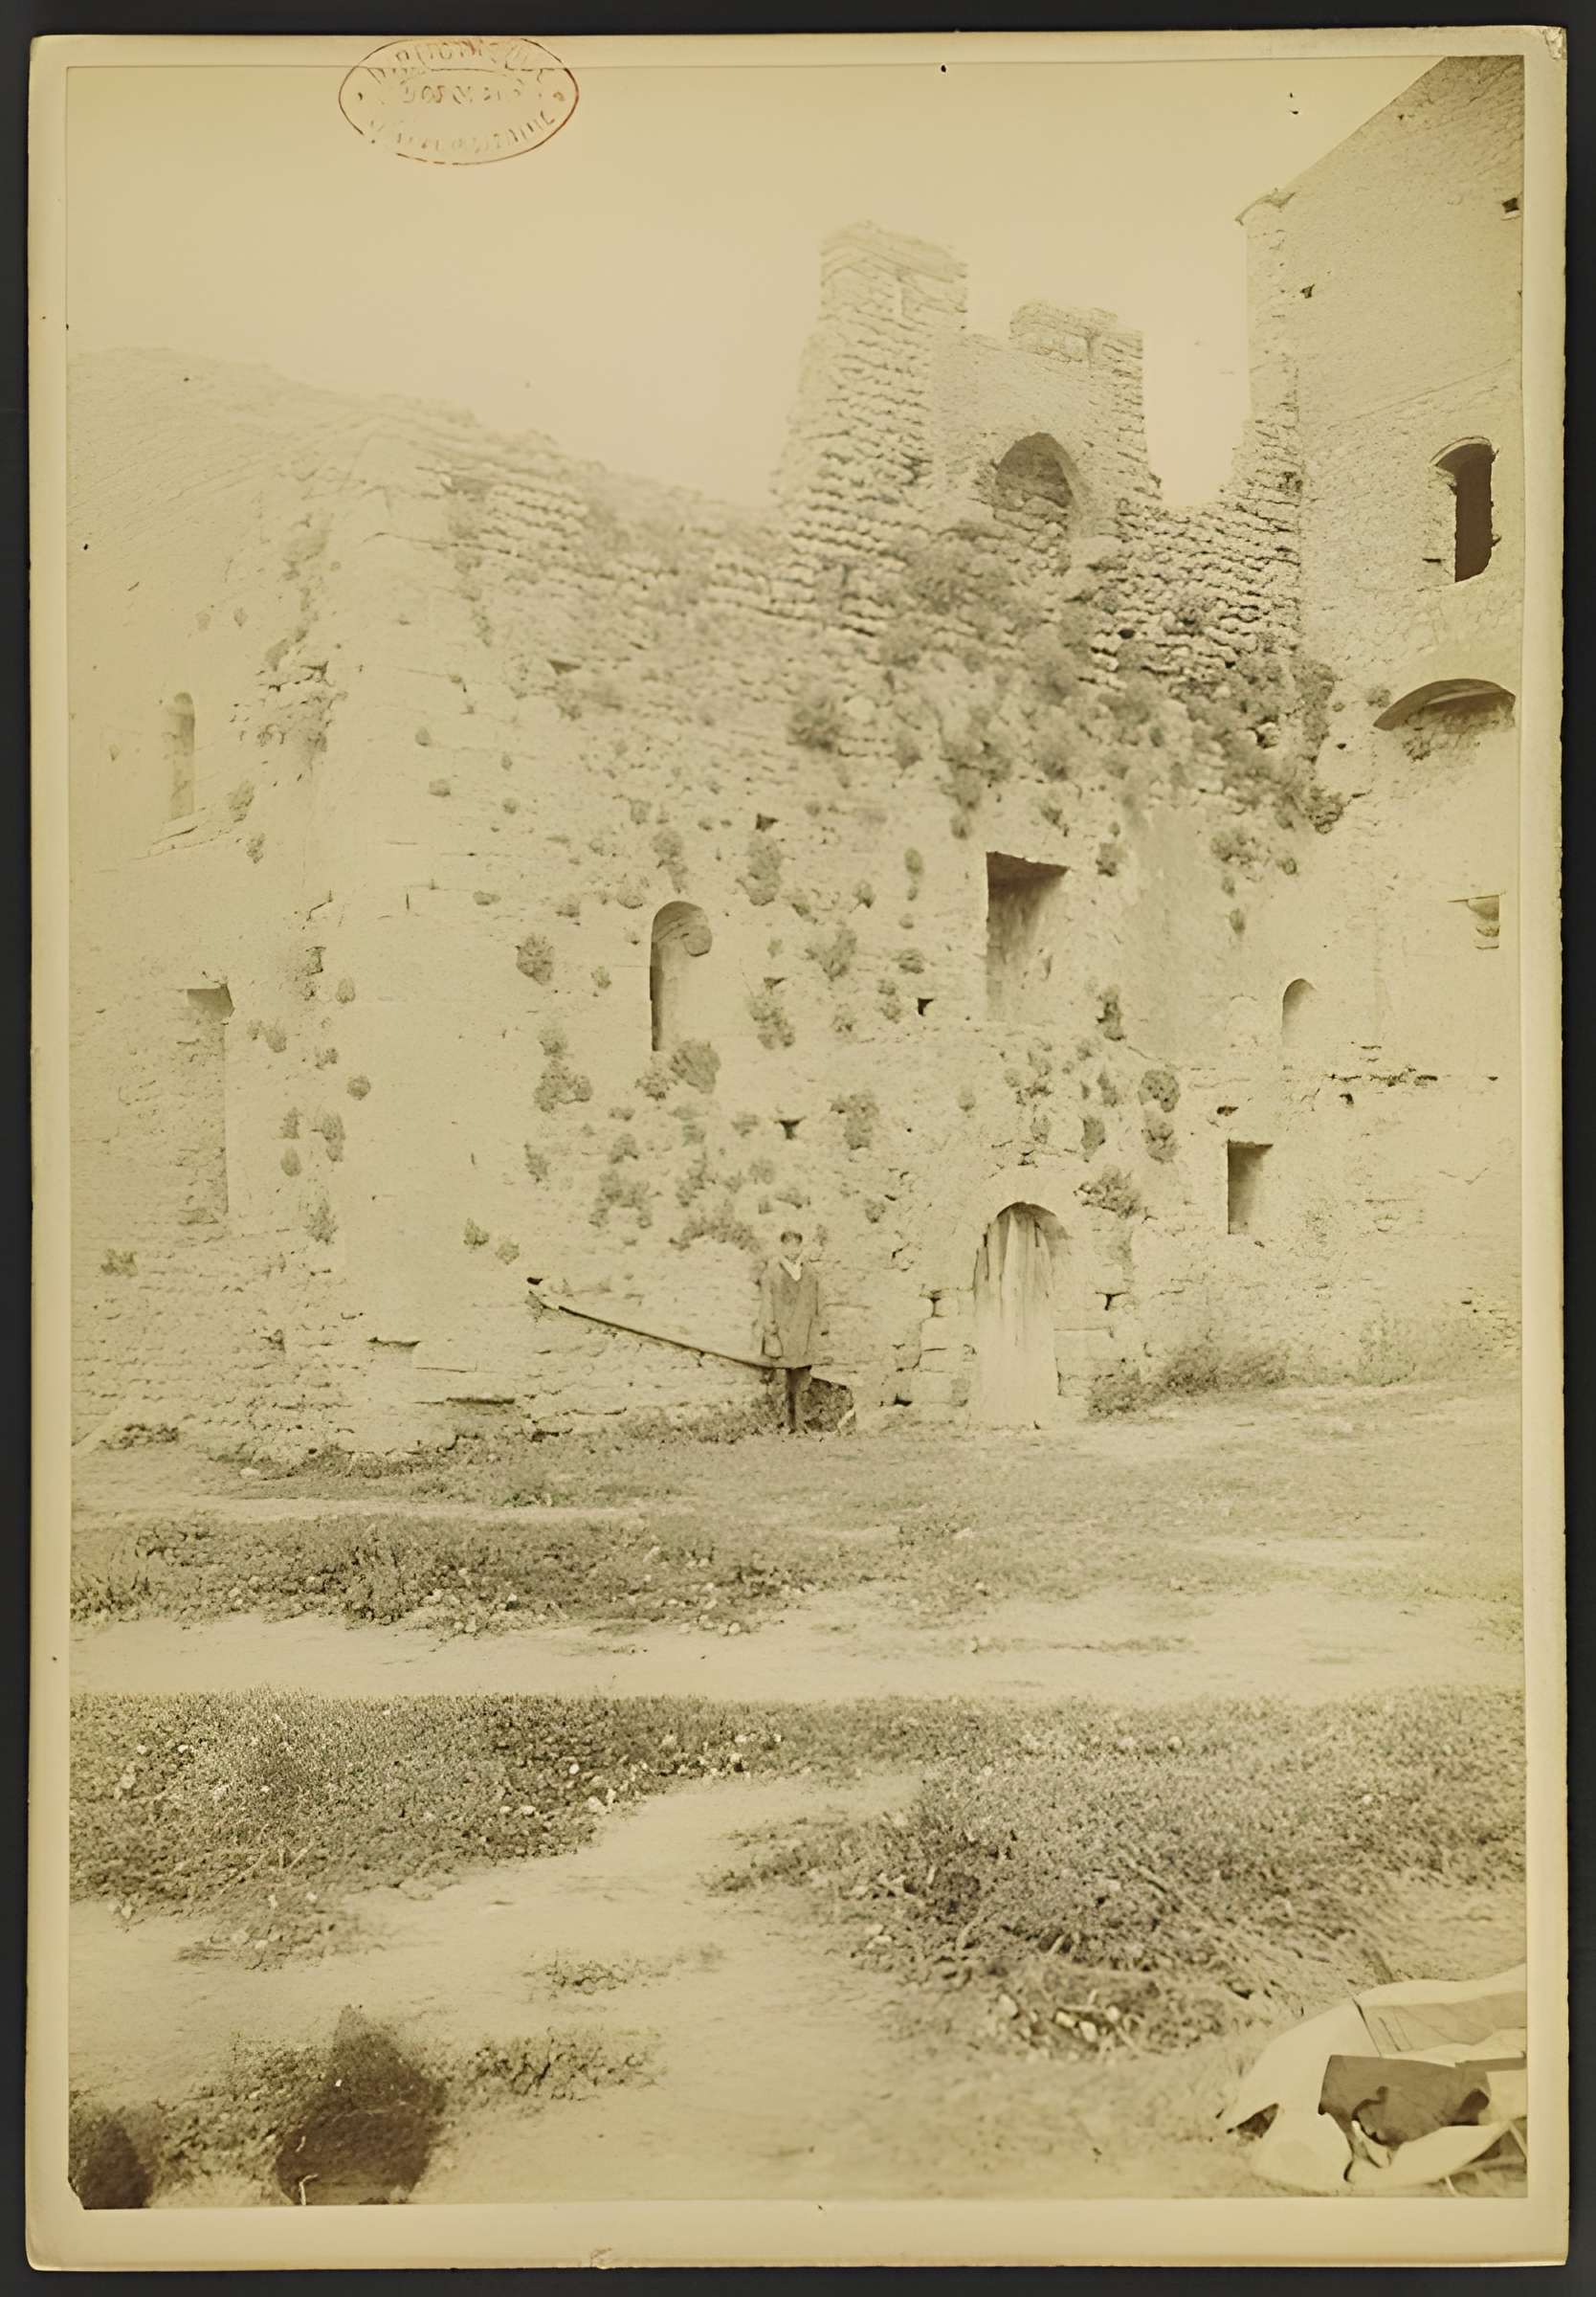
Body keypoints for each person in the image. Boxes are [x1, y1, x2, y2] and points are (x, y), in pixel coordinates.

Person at [758, 1228, 825, 1433]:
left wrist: (819, 1327)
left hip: (804, 1334)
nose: (793, 1250)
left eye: (797, 1245)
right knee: (783, 1381)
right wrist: (770, 1331)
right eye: (789, 1245)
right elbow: (767, 1304)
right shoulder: (773, 1273)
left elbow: (817, 1302)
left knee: (802, 1381)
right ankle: (785, 1424)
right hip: (783, 1334)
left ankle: (801, 1424)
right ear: (782, 1247)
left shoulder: (810, 1272)